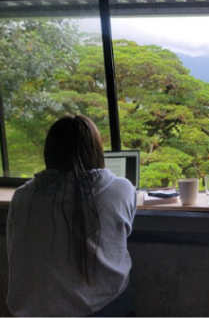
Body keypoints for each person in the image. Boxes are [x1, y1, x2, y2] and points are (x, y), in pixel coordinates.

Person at [6, 115, 137, 317]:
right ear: (95, 150)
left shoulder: (23, 196)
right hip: (100, 308)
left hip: (31, 308)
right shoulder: (121, 189)